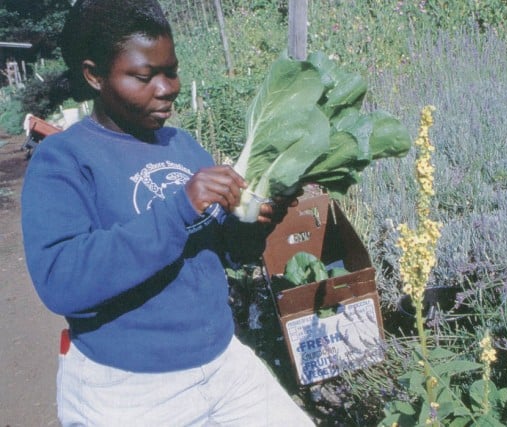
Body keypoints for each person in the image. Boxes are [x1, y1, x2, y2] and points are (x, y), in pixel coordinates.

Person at [21, 1, 315, 425]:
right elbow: (61, 281)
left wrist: (255, 223)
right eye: (144, 76)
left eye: (171, 71)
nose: (167, 88)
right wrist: (179, 210)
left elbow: (225, 254)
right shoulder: (63, 159)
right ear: (94, 75)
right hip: (129, 389)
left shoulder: (181, 145)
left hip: (221, 364)